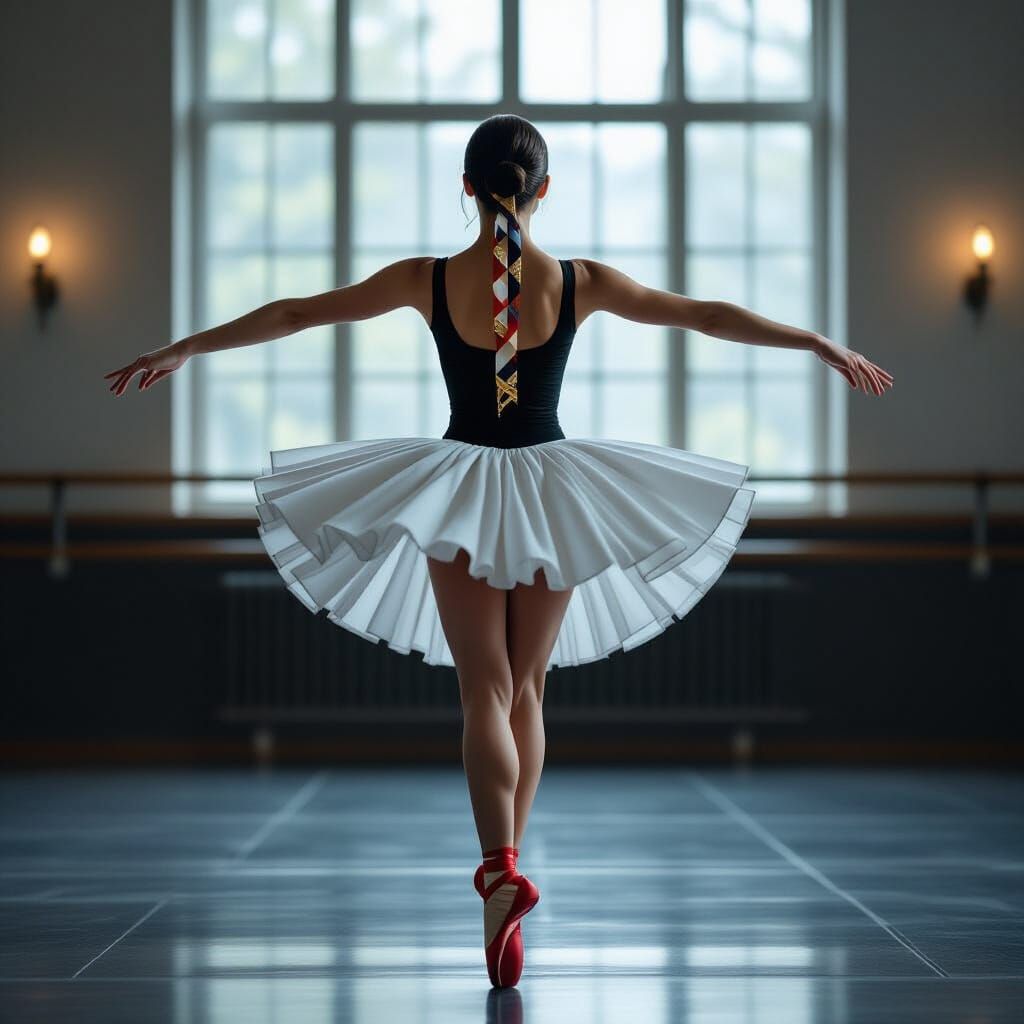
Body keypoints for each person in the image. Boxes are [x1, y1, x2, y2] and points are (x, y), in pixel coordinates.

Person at [104, 113, 893, 989]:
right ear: (541, 191)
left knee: (481, 685)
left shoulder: (430, 279)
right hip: (555, 489)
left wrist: (186, 347)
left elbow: (298, 312)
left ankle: (498, 868)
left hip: (464, 493)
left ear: (469, 188)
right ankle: (502, 876)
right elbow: (700, 315)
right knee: (527, 686)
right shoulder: (579, 280)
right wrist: (816, 341)